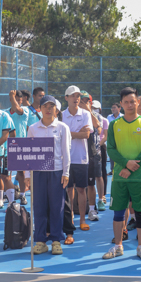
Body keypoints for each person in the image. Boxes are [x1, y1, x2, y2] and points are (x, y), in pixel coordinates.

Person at [102, 87, 141, 261]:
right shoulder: (114, 124)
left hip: (139, 177)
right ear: (121, 104)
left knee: (140, 213)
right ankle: (118, 246)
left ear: (138, 102)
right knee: (118, 213)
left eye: (133, 101)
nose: (130, 105)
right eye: (126, 102)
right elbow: (111, 149)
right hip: (119, 177)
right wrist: (125, 164)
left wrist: (130, 167)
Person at [28, 95, 71, 255]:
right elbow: (28, 153)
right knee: (39, 207)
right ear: (39, 109)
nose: (48, 109)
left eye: (51, 106)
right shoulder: (33, 128)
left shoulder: (62, 127)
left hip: (56, 172)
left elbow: (66, 152)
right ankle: (40, 241)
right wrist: (27, 176)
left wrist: (66, 172)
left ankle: (56, 241)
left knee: (57, 208)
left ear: (56, 109)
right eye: (45, 106)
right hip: (38, 173)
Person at [62, 85, 93, 236]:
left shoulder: (86, 114)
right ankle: (71, 219)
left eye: (78, 96)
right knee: (68, 190)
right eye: (73, 96)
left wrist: (69, 134)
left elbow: (86, 135)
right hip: (65, 159)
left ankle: (82, 219)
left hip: (81, 158)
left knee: (81, 189)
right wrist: (76, 133)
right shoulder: (61, 115)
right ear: (66, 98)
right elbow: (61, 136)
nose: (76, 98)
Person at [9, 90, 37, 205]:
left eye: (19, 100)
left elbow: (17, 109)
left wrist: (12, 96)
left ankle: (22, 195)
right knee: (6, 175)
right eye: (16, 100)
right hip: (7, 145)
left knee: (21, 172)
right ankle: (7, 197)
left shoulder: (25, 110)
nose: (18, 102)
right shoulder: (6, 113)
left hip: (20, 145)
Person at [79, 92, 103, 222]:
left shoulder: (95, 115)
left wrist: (88, 111)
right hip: (76, 153)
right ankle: (73, 211)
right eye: (81, 101)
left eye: (86, 101)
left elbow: (98, 129)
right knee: (74, 186)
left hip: (92, 153)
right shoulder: (74, 114)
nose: (83, 103)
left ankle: (92, 209)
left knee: (91, 183)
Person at [106, 103, 123, 175]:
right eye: (112, 108)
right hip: (112, 139)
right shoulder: (109, 117)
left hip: (121, 139)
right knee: (112, 154)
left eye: (114, 107)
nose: (113, 109)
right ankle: (113, 170)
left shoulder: (123, 117)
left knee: (121, 154)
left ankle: (122, 169)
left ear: (119, 108)